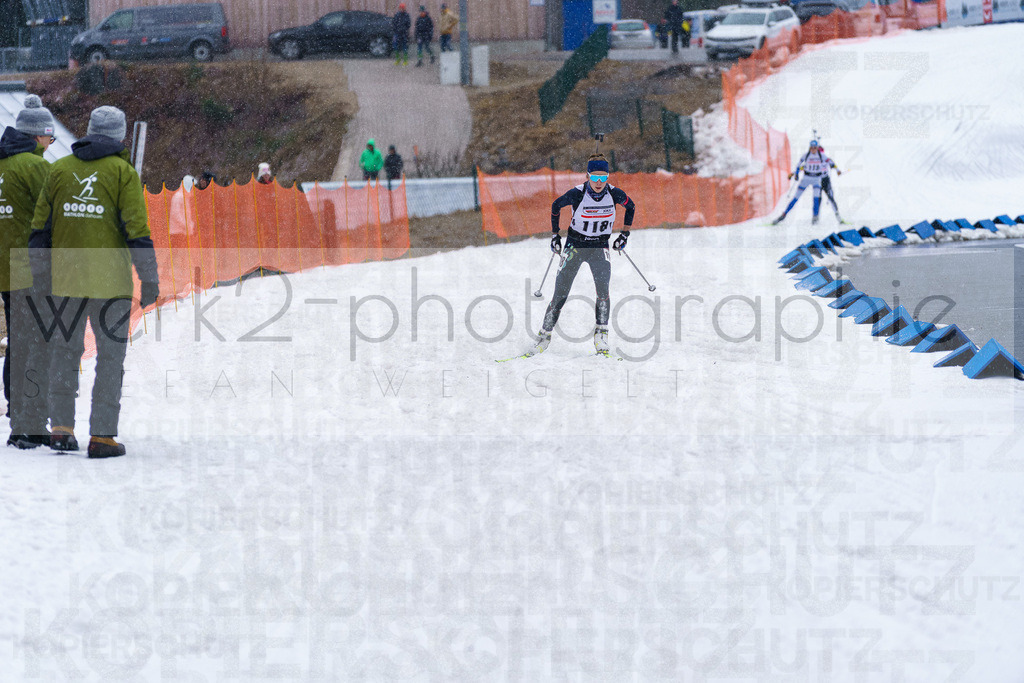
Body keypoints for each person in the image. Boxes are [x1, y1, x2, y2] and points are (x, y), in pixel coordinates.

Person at [29, 105, 160, 458]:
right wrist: (150, 279)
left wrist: (39, 277)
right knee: (110, 359)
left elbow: (40, 230)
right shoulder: (122, 173)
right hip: (110, 284)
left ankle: (60, 429)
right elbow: (137, 231)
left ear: (88, 131)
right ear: (120, 136)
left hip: (65, 281)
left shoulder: (59, 170)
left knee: (64, 353)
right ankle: (102, 436)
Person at [532, 153, 635, 357]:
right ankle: (544, 336)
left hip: (599, 247)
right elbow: (556, 206)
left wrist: (625, 234)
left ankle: (601, 335)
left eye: (603, 178)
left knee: (603, 291)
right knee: (560, 293)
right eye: (594, 178)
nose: (599, 183)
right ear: (587, 176)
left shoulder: (614, 194)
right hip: (575, 247)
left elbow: (630, 206)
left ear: (607, 177)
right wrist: (555, 235)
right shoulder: (577, 193)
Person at [0, 94, 54, 448]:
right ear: (37, 136)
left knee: (19, 341)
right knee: (37, 343)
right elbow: (55, 217)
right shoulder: (36, 168)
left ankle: (17, 413)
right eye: (48, 137)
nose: (51, 143)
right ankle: (28, 422)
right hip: (30, 268)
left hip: (5, 268)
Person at [771, 138, 838, 226]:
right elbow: (799, 166)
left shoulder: (822, 156)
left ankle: (815, 217)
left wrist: (836, 168)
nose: (813, 149)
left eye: (815, 147)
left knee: (816, 198)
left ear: (817, 148)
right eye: (812, 147)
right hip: (806, 179)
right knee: (796, 197)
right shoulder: (806, 155)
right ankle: (783, 215)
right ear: (809, 148)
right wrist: (796, 174)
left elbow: (830, 162)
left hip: (817, 179)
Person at [816, 144, 845, 223]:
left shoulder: (827, 159)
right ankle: (816, 218)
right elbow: (804, 166)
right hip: (817, 181)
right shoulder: (813, 160)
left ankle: (838, 217)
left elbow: (833, 165)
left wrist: (838, 171)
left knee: (831, 197)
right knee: (818, 199)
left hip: (826, 180)